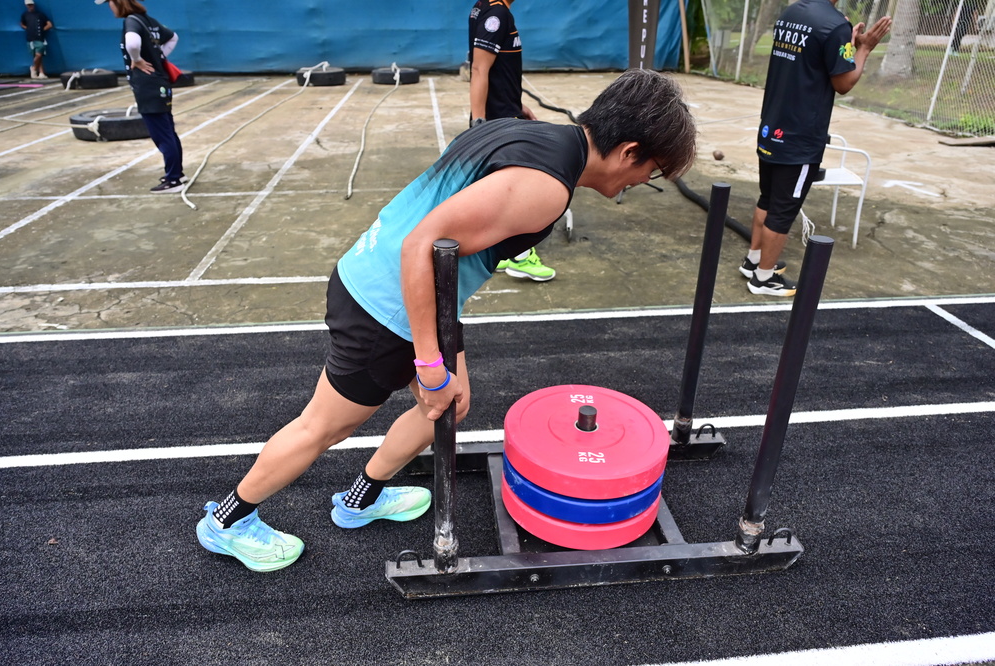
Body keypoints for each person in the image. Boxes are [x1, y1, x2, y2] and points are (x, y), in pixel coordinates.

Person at [194, 69, 698, 572]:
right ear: (629, 151)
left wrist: (441, 358)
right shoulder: (546, 188)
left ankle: (362, 498)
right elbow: (422, 244)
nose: (641, 183)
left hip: (409, 289)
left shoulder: (535, 133)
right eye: (651, 172)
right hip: (385, 306)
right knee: (323, 428)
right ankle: (227, 521)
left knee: (449, 406)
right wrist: (430, 363)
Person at [742, 0, 891, 296]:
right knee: (783, 211)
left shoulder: (792, 12)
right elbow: (844, 82)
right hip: (800, 138)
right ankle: (763, 279)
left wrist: (846, 44)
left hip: (772, 126)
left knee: (768, 199)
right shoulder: (835, 25)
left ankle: (754, 261)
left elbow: (813, 59)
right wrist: (864, 48)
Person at [468, 0, 555, 282]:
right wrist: (479, 123)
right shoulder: (496, 14)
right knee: (520, 189)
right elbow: (479, 69)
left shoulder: (486, 7)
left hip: (505, 113)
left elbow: (499, 70)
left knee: (501, 187)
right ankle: (520, 256)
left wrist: (516, 104)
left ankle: (504, 251)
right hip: (498, 121)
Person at [96, 0, 186, 194]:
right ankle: (177, 174)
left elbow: (133, 43)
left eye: (109, 2)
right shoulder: (147, 20)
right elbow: (173, 37)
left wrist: (137, 60)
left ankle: (174, 180)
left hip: (148, 87)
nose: (109, 7)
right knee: (168, 131)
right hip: (159, 83)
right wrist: (158, 58)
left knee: (162, 135)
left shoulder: (131, 21)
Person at [20, 0, 52, 80]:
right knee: (36, 56)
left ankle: (33, 68)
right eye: (28, 5)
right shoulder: (25, 15)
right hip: (30, 38)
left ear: (34, 5)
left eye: (31, 5)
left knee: (39, 55)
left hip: (39, 38)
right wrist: (27, 28)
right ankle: (41, 73)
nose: (30, 6)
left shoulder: (40, 14)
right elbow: (22, 23)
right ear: (26, 6)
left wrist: (42, 30)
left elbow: (49, 24)